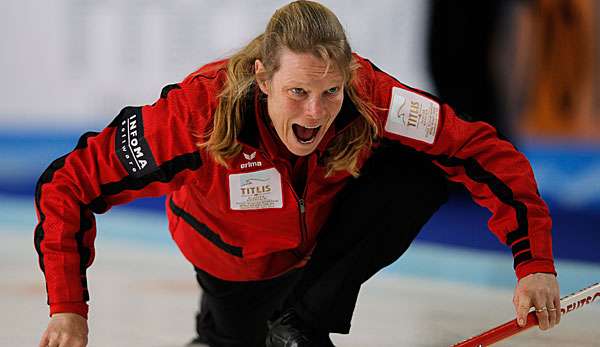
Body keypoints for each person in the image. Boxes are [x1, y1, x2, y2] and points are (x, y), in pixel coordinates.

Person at [34, 2, 560, 347]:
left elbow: (480, 149)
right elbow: (69, 185)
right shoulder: (194, 114)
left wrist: (533, 262)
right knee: (231, 339)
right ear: (263, 75)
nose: (314, 114)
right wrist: (67, 308)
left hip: (315, 258)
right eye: (298, 92)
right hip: (231, 265)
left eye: (331, 92)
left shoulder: (368, 93)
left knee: (419, 169)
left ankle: (303, 325)